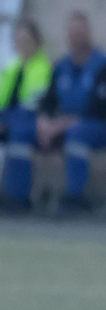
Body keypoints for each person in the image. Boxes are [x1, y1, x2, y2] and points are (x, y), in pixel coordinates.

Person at [4, 11, 106, 213]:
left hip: (101, 127)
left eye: (80, 31)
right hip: (61, 126)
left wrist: (62, 124)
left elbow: (102, 110)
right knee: (22, 132)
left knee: (76, 134)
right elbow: (48, 101)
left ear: (88, 33)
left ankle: (75, 197)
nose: (76, 36)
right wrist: (44, 121)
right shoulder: (61, 67)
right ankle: (17, 198)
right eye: (72, 32)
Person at [0, 19, 52, 214]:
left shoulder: (43, 68)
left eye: (26, 40)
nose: (22, 45)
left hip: (28, 119)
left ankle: (17, 197)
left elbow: (35, 103)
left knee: (19, 138)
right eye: (18, 40)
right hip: (7, 116)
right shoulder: (12, 66)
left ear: (36, 41)